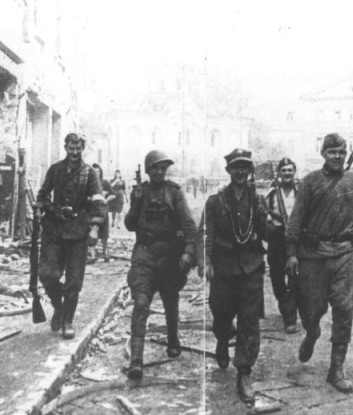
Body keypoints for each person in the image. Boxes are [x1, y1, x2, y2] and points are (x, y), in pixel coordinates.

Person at [285, 133, 353, 394]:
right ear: (323, 154)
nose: (337, 157)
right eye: (332, 152)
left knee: (345, 309)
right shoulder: (310, 181)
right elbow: (296, 219)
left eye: (341, 152)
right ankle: (311, 333)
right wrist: (291, 253)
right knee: (312, 310)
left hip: (345, 253)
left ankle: (336, 369)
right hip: (313, 255)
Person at [197, 148, 268, 405]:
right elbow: (204, 233)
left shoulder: (258, 201)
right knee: (220, 313)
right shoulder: (216, 201)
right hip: (223, 267)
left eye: (245, 168)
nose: (240, 172)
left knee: (249, 321)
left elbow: (265, 228)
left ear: (249, 171)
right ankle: (222, 339)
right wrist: (205, 261)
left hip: (251, 266)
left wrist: (273, 225)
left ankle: (244, 373)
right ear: (228, 171)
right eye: (236, 167)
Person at [125, 150, 196, 380]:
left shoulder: (174, 193)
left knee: (170, 299)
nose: (159, 171)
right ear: (147, 170)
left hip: (169, 256)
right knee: (141, 303)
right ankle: (136, 359)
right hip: (144, 255)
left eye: (163, 168)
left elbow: (189, 227)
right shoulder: (140, 192)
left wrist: (187, 252)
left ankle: (173, 339)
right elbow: (129, 224)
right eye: (155, 167)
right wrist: (135, 203)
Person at [36, 133, 104, 339]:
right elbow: (43, 194)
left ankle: (67, 321)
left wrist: (94, 228)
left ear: (82, 149)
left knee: (73, 281)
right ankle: (59, 307)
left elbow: (99, 201)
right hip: (54, 230)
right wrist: (44, 208)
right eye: (71, 148)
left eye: (78, 149)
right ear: (65, 147)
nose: (74, 153)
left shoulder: (89, 173)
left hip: (77, 231)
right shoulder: (55, 169)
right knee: (47, 275)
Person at [266, 157, 300, 334]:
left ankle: (290, 318)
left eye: (290, 170)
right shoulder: (272, 194)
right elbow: (264, 214)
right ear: (279, 173)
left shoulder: (301, 192)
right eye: (284, 170)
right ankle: (284, 303)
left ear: (294, 172)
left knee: (295, 279)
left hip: (296, 241)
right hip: (277, 241)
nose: (287, 173)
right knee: (277, 279)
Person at [91, 163, 113, 262]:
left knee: (104, 233)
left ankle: (105, 253)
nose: (97, 174)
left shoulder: (105, 183)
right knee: (92, 231)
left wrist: (105, 200)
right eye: (94, 172)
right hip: (93, 210)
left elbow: (113, 194)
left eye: (98, 172)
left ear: (100, 172)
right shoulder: (90, 183)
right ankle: (92, 254)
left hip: (103, 210)